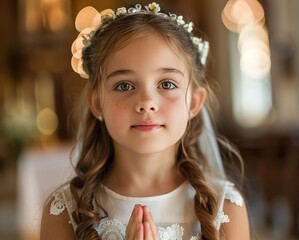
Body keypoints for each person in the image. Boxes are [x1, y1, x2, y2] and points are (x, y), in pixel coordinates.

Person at [40, 2, 250, 239]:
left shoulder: (225, 208)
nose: (147, 102)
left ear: (193, 102)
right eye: (124, 85)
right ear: (97, 103)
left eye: (167, 84)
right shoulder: (64, 211)